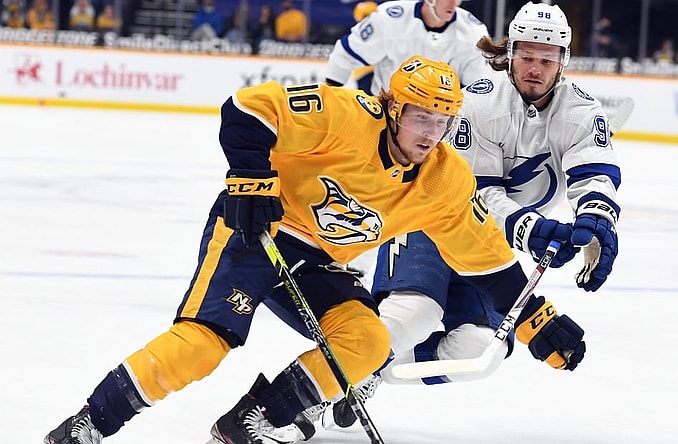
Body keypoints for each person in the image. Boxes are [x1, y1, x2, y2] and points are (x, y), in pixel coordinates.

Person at [45, 55, 580, 444]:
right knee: (205, 343)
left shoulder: (443, 181)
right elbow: (247, 110)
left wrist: (539, 320)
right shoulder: (346, 115)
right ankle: (88, 424)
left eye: (442, 123)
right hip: (259, 228)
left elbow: (487, 261)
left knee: (368, 341)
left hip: (319, 263)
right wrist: (252, 181)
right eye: (421, 117)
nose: (430, 134)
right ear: (393, 108)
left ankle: (252, 419)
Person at [273, 2, 616, 441]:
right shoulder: (479, 101)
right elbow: (473, 192)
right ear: (510, 53)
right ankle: (303, 403)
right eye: (527, 56)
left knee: (480, 352)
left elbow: (595, 170)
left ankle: (373, 367)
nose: (536, 68)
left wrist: (597, 220)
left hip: (492, 247)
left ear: (563, 62)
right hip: (429, 221)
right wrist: (532, 228)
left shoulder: (582, 111)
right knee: (413, 314)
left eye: (547, 59)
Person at [325, 0, 490, 95]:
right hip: (385, 114)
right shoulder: (389, 18)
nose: (454, 4)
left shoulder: (473, 32)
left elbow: (478, 87)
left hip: (440, 122)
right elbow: (346, 55)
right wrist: (331, 95)